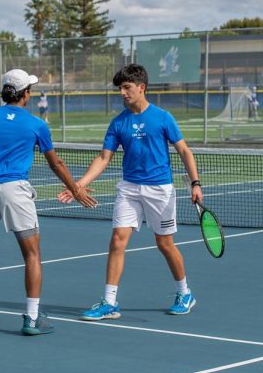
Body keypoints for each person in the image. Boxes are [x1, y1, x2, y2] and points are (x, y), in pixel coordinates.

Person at [58, 63, 203, 321]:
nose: (122, 93)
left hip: (160, 189)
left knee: (165, 244)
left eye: (127, 88)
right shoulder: (118, 123)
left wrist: (195, 183)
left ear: (141, 87)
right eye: (120, 89)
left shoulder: (163, 117)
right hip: (129, 188)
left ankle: (185, 292)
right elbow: (104, 158)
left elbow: (184, 151)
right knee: (117, 240)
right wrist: (77, 185)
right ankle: (110, 302)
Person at [0, 69, 97, 336]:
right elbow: (55, 163)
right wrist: (76, 189)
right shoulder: (37, 124)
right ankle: (32, 318)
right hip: (16, 190)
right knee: (32, 255)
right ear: (26, 94)